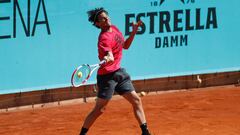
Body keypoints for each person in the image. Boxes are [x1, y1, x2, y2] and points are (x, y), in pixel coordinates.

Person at [79, 7, 151, 135]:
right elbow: (109, 55)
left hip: (119, 73)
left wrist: (134, 31)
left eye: (107, 16)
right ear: (98, 24)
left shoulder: (115, 29)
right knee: (100, 109)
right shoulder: (104, 38)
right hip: (107, 77)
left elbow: (126, 46)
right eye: (103, 18)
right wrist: (108, 57)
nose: (107, 19)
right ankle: (82, 133)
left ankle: (145, 132)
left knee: (136, 100)